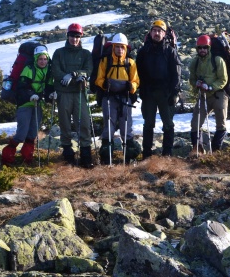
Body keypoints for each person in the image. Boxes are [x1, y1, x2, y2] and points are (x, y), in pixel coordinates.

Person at [2, 45, 56, 165]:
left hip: (38, 103)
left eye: (45, 59)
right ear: (36, 59)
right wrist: (31, 94)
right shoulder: (28, 69)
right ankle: (7, 158)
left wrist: (51, 95)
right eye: (40, 59)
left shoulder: (48, 70)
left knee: (32, 133)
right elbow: (22, 87)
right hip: (25, 103)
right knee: (21, 134)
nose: (43, 61)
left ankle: (28, 158)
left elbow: (48, 87)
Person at [135, 19, 182, 157]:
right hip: (149, 93)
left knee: (168, 123)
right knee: (148, 123)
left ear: (164, 33)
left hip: (166, 93)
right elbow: (138, 72)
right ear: (150, 33)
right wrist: (141, 89)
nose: (156, 33)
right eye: (154, 30)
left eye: (159, 31)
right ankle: (147, 154)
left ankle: (167, 154)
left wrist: (175, 92)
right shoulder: (143, 51)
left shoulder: (170, 51)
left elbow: (177, 73)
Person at [52, 23, 94, 167]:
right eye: (72, 36)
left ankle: (86, 157)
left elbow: (88, 70)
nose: (74, 39)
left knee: (84, 124)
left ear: (80, 37)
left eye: (77, 36)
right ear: (68, 36)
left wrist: (76, 74)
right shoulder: (58, 53)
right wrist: (64, 76)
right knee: (65, 124)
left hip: (79, 93)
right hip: (63, 94)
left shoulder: (85, 54)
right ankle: (68, 156)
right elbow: (55, 71)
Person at [94, 33, 140, 164]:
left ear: (126, 48)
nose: (119, 50)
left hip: (125, 97)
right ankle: (106, 157)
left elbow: (136, 81)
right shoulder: (105, 61)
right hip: (109, 97)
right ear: (113, 47)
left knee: (127, 126)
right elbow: (99, 79)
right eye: (117, 47)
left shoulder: (130, 63)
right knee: (109, 124)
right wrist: (103, 84)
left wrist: (132, 86)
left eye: (122, 47)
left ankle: (129, 157)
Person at [189, 34, 228, 153]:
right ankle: (198, 151)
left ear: (209, 48)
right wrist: (197, 84)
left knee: (221, 124)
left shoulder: (217, 60)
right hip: (203, 96)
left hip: (218, 95)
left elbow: (223, 79)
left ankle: (216, 150)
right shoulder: (194, 62)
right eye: (200, 48)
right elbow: (191, 79)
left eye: (204, 47)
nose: (202, 50)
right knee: (195, 124)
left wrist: (211, 87)